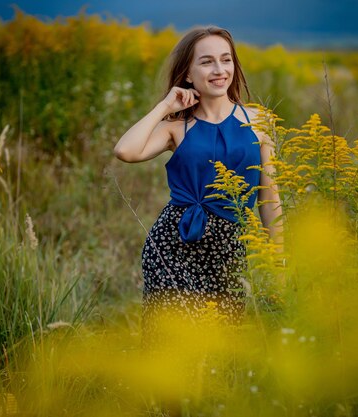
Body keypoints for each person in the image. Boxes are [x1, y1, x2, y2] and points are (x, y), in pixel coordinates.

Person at [114, 25, 283, 348]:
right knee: (174, 344)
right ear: (188, 74)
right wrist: (165, 106)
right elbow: (126, 151)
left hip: (234, 249)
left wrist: (279, 261)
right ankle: (167, 400)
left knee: (224, 346)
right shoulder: (176, 127)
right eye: (207, 62)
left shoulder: (258, 120)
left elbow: (269, 200)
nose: (220, 70)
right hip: (174, 247)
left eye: (226, 60)